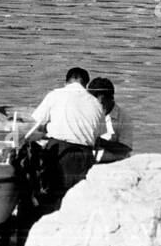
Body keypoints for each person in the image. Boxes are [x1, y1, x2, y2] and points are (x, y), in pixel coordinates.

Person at [22, 66, 106, 210]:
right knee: (78, 204)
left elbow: (33, 126)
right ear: (85, 84)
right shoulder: (96, 103)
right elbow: (98, 138)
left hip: (60, 154)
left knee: (53, 202)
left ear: (67, 81)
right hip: (85, 158)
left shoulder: (55, 95)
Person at [87, 77, 133, 163]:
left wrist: (101, 142)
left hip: (112, 164)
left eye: (102, 103)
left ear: (111, 98)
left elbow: (126, 149)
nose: (99, 107)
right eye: (96, 103)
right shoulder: (85, 111)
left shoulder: (123, 117)